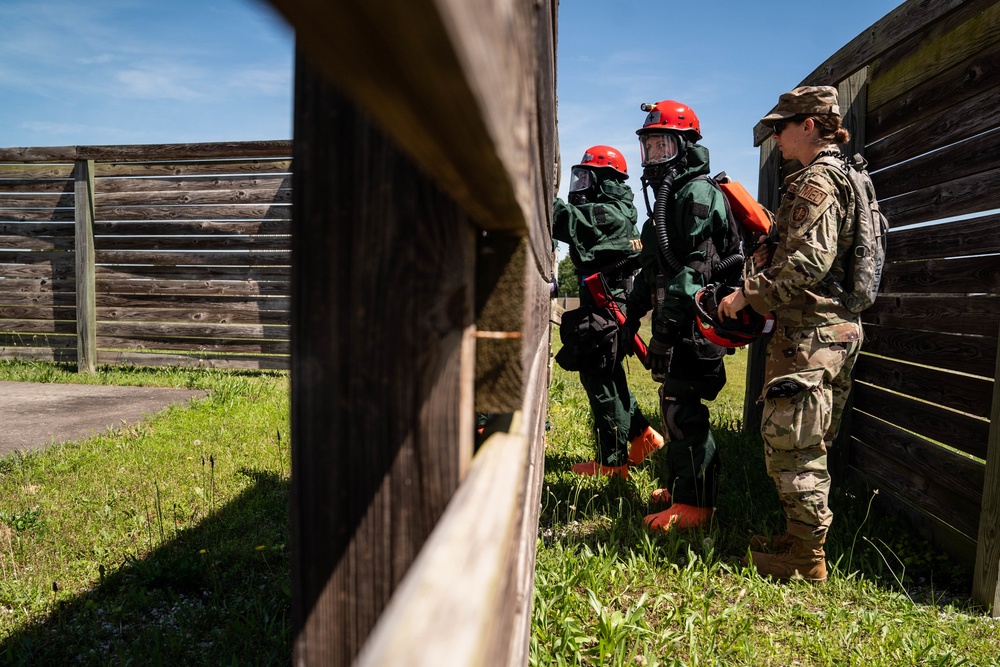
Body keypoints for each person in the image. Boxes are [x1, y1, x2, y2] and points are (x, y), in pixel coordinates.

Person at [718, 86, 863, 582]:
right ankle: (799, 540)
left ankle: (805, 562)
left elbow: (808, 263)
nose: (775, 135)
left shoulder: (818, 181)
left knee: (794, 447)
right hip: (834, 331)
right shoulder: (846, 176)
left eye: (782, 126)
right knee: (808, 442)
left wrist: (746, 296)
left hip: (813, 334)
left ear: (810, 126)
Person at [625, 100, 735, 532]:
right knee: (671, 403)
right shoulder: (666, 205)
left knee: (682, 409)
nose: (654, 156)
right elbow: (651, 270)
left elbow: (694, 271)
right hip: (677, 323)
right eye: (648, 147)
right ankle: (681, 485)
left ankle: (698, 504)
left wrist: (664, 334)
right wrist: (631, 317)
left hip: (695, 326)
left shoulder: (697, 193)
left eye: (662, 146)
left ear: (684, 147)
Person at [553, 145, 664, 479]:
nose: (580, 184)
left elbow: (562, 219)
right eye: (578, 176)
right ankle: (642, 436)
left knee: (600, 381)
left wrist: (535, 188)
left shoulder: (607, 213)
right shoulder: (619, 210)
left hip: (606, 306)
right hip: (609, 304)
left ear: (605, 180)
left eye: (586, 177)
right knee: (610, 378)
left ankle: (612, 463)